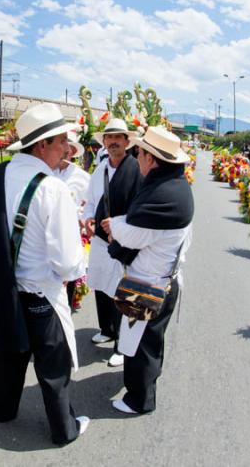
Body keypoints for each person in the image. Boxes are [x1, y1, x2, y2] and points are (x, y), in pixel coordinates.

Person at [0, 103, 89, 445]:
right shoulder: (53, 189)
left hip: (2, 294)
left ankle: (3, 410)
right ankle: (63, 429)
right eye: (62, 141)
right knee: (53, 367)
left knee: (9, 356)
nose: (67, 148)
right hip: (42, 296)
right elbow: (68, 264)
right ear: (41, 145)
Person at [100, 126, 194, 415]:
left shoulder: (163, 195)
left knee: (141, 342)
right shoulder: (173, 187)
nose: (136, 156)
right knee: (151, 338)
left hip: (149, 284)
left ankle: (139, 399)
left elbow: (134, 235)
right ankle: (147, 381)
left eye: (139, 152)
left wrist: (112, 226)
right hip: (163, 278)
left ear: (151, 159)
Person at [82, 118, 142, 368]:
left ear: (127, 142)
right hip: (99, 239)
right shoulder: (101, 168)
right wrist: (87, 219)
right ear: (104, 142)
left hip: (123, 241)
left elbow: (140, 206)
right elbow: (91, 199)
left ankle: (120, 342)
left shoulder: (136, 169)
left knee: (119, 289)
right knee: (100, 283)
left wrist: (119, 227)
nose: (113, 141)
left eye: (118, 137)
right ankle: (106, 328)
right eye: (109, 137)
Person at [54, 130, 91, 308]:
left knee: (68, 273)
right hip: (49, 233)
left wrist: (80, 217)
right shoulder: (46, 172)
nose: (64, 154)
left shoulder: (83, 178)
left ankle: (66, 307)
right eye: (62, 148)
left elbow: (90, 207)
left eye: (68, 150)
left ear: (73, 152)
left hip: (72, 234)